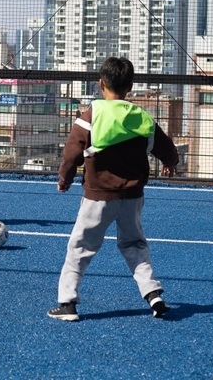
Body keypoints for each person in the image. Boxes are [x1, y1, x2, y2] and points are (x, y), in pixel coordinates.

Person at [48, 57, 179, 322]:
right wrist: (170, 163)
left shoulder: (91, 116)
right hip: (132, 197)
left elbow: (72, 154)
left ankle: (68, 304)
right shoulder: (142, 117)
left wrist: (65, 178)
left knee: (80, 247)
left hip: (98, 197)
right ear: (130, 86)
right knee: (135, 245)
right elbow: (167, 148)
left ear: (101, 83)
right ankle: (153, 293)